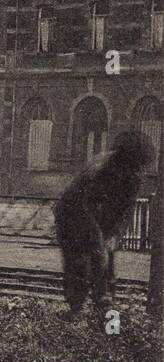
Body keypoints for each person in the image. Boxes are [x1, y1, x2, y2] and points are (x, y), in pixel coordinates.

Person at [53, 130, 153, 314]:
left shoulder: (135, 176)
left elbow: (126, 212)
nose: (134, 171)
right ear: (120, 159)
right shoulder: (102, 169)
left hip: (100, 219)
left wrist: (115, 236)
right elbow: (84, 206)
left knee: (106, 267)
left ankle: (106, 314)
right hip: (70, 216)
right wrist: (98, 241)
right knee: (80, 265)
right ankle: (75, 311)